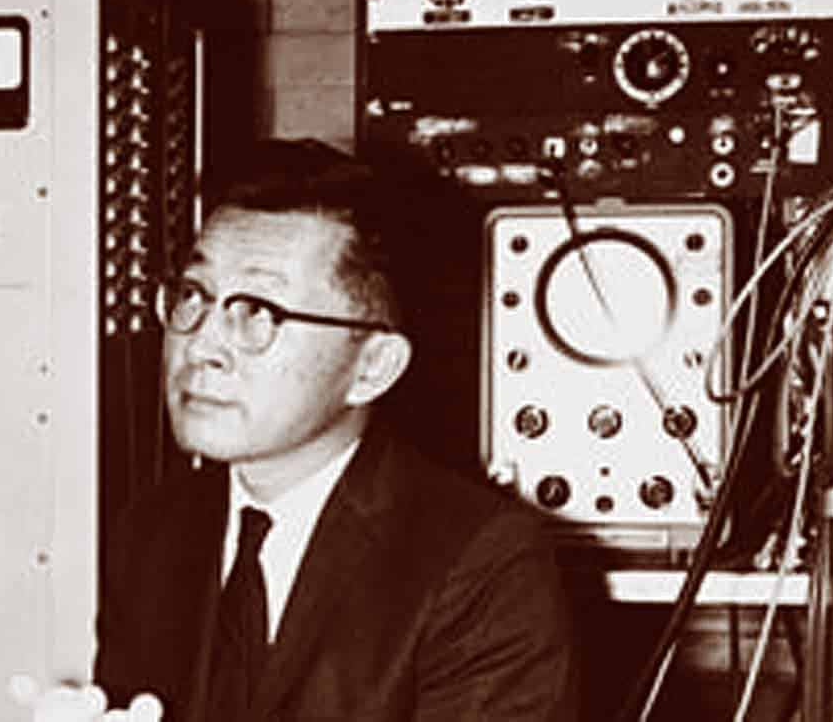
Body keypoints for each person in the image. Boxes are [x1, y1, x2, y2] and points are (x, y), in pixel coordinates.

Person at [88, 138, 580, 721]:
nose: (202, 344)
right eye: (194, 296)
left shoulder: (480, 565)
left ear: (371, 366)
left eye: (257, 313)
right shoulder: (151, 535)